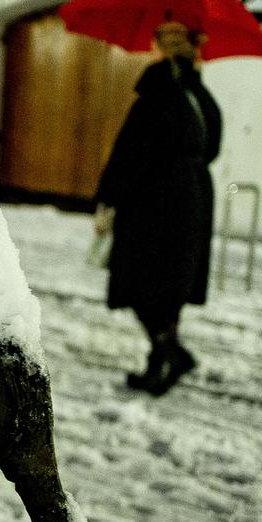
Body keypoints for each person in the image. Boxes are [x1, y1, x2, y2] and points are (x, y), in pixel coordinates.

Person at [93, 20, 221, 396]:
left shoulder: (157, 95)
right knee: (170, 286)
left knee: (142, 284)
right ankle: (158, 361)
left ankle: (170, 352)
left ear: (162, 49)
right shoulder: (200, 96)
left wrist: (109, 199)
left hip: (152, 204)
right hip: (193, 199)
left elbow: (131, 154)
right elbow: (212, 148)